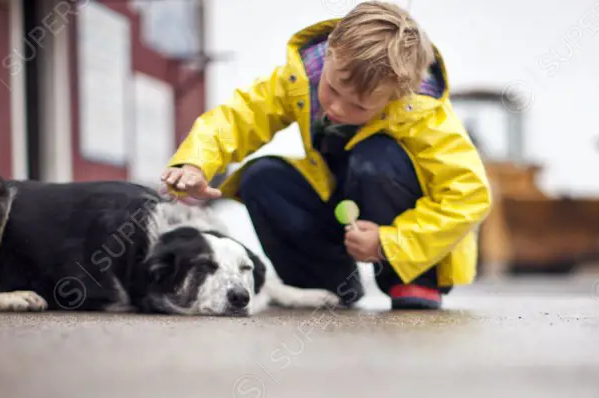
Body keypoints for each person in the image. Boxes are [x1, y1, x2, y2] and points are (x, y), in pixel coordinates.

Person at [160, 1, 491, 310]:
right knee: (261, 177)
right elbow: (242, 115)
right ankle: (325, 282)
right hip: (338, 200)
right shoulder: (302, 78)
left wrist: (391, 243)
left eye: (358, 106)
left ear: (397, 94)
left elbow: (468, 196)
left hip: (401, 225)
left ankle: (414, 280)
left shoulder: (423, 113)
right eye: (332, 89)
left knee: (375, 158)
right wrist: (195, 162)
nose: (335, 107)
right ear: (332, 49)